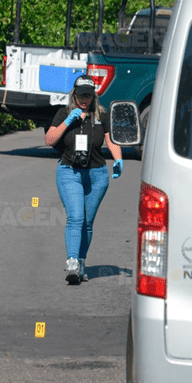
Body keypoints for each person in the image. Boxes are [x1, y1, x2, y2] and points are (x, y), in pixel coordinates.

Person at [45, 76, 123, 285]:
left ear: (93, 95)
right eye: (81, 95)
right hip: (69, 172)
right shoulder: (63, 113)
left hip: (97, 174)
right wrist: (68, 121)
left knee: (87, 223)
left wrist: (118, 159)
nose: (84, 99)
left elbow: (111, 139)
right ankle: (72, 262)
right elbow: (50, 139)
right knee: (76, 217)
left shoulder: (102, 114)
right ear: (74, 94)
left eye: (88, 95)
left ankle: (81, 262)